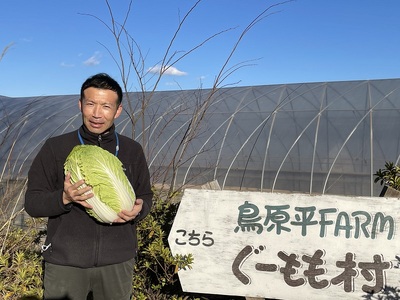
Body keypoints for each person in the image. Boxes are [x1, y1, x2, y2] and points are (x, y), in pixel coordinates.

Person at [25, 73, 153, 300]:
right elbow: (32, 203)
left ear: (118, 110)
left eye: (106, 106)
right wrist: (64, 198)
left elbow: (145, 195)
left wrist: (140, 209)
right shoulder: (56, 147)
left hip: (117, 261)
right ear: (80, 104)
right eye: (90, 104)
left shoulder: (132, 150)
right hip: (66, 262)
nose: (96, 113)